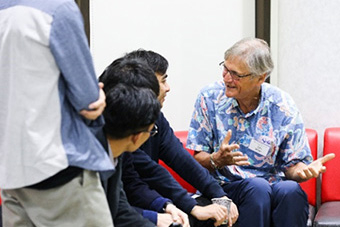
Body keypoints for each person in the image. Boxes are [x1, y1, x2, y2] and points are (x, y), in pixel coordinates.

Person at [186, 37, 336, 227]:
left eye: (235, 74)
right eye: (225, 68)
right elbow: (196, 159)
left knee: (291, 190)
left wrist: (302, 171)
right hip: (225, 187)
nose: (226, 78)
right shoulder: (209, 98)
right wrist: (217, 159)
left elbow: (292, 167)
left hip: (273, 186)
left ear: (260, 77)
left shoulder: (281, 105)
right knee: (257, 188)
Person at [0, 1, 115, 226]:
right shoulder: (57, 10)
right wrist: (98, 100)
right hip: (58, 166)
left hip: (12, 171)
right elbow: (88, 99)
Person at [100, 50, 238, 227]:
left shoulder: (149, 122)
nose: (168, 87)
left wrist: (217, 195)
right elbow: (145, 176)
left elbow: (181, 160)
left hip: (138, 201)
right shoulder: (113, 135)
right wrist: (168, 211)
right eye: (163, 80)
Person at [100, 79, 161, 227]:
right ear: (137, 137)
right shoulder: (87, 165)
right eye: (151, 131)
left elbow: (119, 209)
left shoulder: (115, 153)